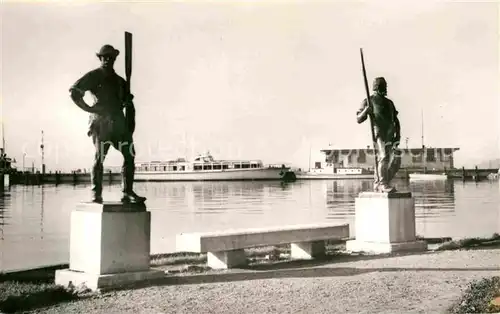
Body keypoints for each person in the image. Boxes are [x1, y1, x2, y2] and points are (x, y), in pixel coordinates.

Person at [69, 44, 146, 203]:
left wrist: (129, 125)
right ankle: (96, 194)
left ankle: (127, 192)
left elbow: (129, 106)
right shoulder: (94, 76)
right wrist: (88, 109)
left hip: (118, 123)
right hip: (101, 122)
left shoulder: (120, 81)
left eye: (110, 57)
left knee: (130, 154)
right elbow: (74, 91)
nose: (107, 60)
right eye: (104, 57)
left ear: (115, 59)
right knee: (99, 158)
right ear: (100, 58)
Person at [356, 77, 401, 193]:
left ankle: (379, 182)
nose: (385, 88)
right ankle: (382, 184)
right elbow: (358, 119)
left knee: (394, 160)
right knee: (384, 156)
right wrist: (366, 111)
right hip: (379, 134)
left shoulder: (389, 103)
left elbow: (396, 120)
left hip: (391, 134)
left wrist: (398, 135)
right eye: (383, 86)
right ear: (377, 87)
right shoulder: (369, 100)